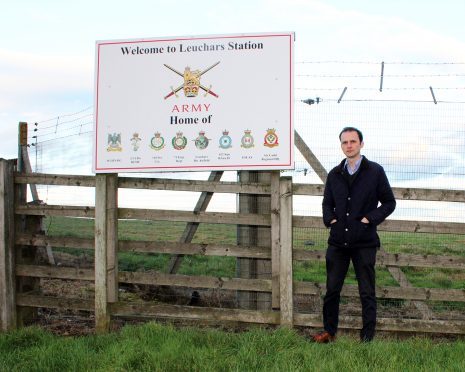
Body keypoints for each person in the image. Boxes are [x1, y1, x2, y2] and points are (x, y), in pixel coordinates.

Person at [312, 127, 396, 343]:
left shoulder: (375, 171)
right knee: (332, 290)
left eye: (353, 141)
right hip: (338, 242)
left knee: (366, 292)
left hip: (364, 242)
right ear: (341, 145)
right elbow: (327, 203)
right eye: (344, 142)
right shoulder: (334, 174)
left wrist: (369, 218)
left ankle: (367, 337)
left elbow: (389, 202)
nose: (348, 145)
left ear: (361, 144)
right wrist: (330, 220)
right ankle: (329, 332)